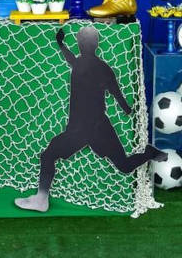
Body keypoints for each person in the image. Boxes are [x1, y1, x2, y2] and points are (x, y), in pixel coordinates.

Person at [15, 26, 164, 213]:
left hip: (81, 128)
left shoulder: (81, 64)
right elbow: (116, 92)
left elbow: (114, 90)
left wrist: (60, 43)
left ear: (82, 44)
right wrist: (127, 108)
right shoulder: (98, 67)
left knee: (48, 155)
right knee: (124, 165)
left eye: (81, 41)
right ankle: (150, 154)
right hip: (98, 126)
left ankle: (41, 199)